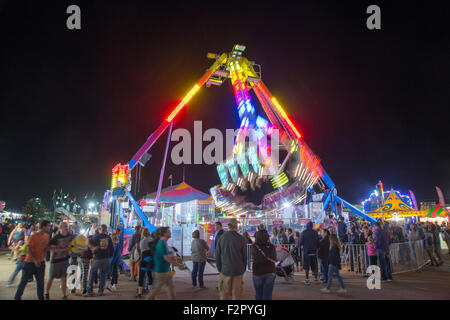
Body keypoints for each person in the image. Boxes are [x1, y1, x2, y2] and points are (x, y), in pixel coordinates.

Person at [14, 220, 51, 300]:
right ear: (43, 227)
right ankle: (17, 297)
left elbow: (45, 248)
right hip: (29, 263)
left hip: (40, 263)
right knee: (23, 282)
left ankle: (41, 298)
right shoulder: (33, 236)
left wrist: (50, 249)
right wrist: (35, 260)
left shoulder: (46, 236)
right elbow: (28, 249)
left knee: (40, 283)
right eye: (48, 226)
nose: (50, 227)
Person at [146, 227, 185, 300]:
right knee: (156, 289)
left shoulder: (164, 243)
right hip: (160, 271)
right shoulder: (161, 244)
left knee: (170, 287)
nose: (170, 232)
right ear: (164, 233)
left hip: (164, 270)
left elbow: (165, 256)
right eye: (168, 231)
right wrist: (179, 265)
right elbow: (166, 258)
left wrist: (172, 259)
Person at [215, 218, 247, 300]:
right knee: (236, 295)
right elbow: (244, 256)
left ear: (227, 226)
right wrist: (243, 268)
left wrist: (219, 268)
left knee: (224, 294)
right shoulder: (241, 238)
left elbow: (218, 255)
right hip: (238, 270)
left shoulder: (221, 238)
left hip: (225, 270)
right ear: (236, 226)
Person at [84, 224, 114, 297]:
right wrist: (109, 256)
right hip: (106, 258)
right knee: (103, 274)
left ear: (100, 229)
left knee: (92, 273)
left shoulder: (96, 237)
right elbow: (111, 248)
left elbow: (88, 242)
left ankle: (89, 290)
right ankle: (101, 291)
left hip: (97, 258)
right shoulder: (108, 238)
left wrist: (92, 249)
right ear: (106, 230)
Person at [251, 229, 276, 300]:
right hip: (270, 271)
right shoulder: (272, 246)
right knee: (268, 295)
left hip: (257, 272)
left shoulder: (254, 246)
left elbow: (254, 259)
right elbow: (274, 258)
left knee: (258, 294)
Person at [136, 229, 156, 298]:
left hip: (144, 260)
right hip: (150, 261)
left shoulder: (142, 241)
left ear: (143, 234)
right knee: (150, 276)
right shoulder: (152, 240)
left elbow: (141, 251)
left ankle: (139, 293)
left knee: (141, 276)